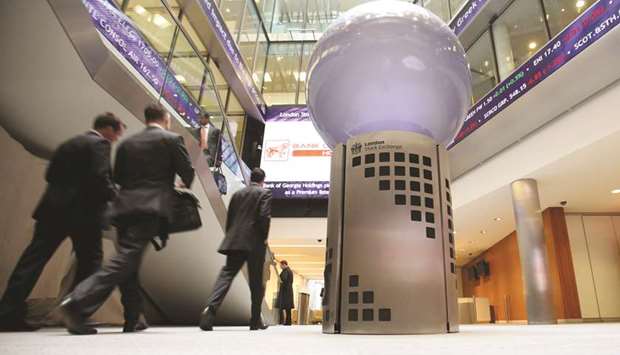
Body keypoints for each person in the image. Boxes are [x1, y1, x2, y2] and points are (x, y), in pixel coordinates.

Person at [59, 104, 195, 335]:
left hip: (123, 209)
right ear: (166, 119)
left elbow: (118, 177)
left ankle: (133, 318)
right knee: (125, 259)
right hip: (150, 208)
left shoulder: (126, 143)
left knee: (129, 261)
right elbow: (188, 171)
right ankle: (77, 301)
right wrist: (180, 184)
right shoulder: (172, 140)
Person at [0, 113, 125, 332]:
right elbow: (99, 179)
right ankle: (76, 312)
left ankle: (7, 313)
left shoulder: (70, 143)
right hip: (84, 215)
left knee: (32, 262)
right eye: (117, 134)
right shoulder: (99, 144)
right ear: (108, 129)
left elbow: (49, 175)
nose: (115, 139)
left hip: (51, 211)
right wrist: (117, 195)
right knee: (91, 263)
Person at [199, 168, 272, 331]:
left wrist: (231, 237)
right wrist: (264, 237)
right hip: (254, 243)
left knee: (226, 275)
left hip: (235, 241)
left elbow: (230, 218)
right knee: (256, 282)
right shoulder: (264, 193)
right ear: (262, 180)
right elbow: (264, 217)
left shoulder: (237, 194)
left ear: (250, 178)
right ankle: (255, 320)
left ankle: (210, 310)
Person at [276, 260, 294, 326]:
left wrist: (280, 280)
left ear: (284, 264)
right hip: (288, 291)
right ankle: (288, 322)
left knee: (286, 307)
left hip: (286, 291)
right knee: (287, 308)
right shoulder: (289, 271)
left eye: (281, 265)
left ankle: (287, 322)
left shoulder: (286, 271)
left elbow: (284, 279)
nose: (280, 267)